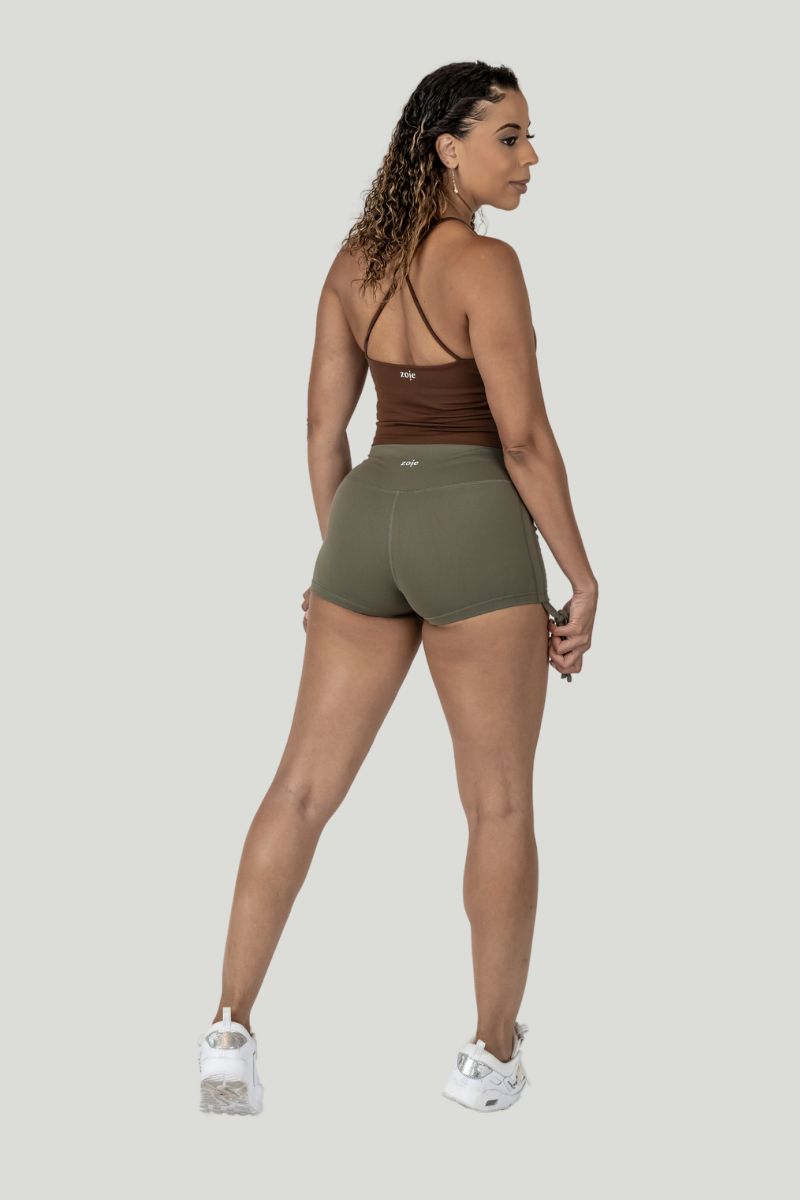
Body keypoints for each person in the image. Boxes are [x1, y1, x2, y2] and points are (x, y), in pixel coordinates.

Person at [198, 60, 598, 1116]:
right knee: (497, 802)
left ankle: (228, 1030)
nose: (529, 158)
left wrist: (342, 556)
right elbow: (522, 439)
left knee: (299, 789)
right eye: (509, 137)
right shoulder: (487, 264)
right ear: (445, 148)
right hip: (471, 524)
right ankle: (490, 1056)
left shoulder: (351, 265)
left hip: (367, 517)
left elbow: (321, 431)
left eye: (530, 137)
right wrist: (581, 575)